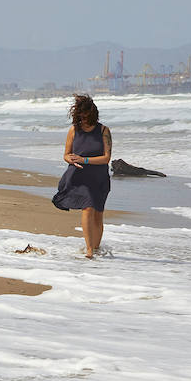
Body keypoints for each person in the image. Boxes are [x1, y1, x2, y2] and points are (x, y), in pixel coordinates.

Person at [59, 94, 112, 258]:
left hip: (99, 178)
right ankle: (89, 250)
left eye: (86, 116)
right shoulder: (74, 130)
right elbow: (66, 154)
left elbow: (106, 158)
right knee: (87, 208)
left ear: (93, 114)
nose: (83, 119)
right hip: (79, 177)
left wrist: (84, 159)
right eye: (81, 116)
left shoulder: (103, 131)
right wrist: (72, 159)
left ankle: (95, 248)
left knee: (98, 214)